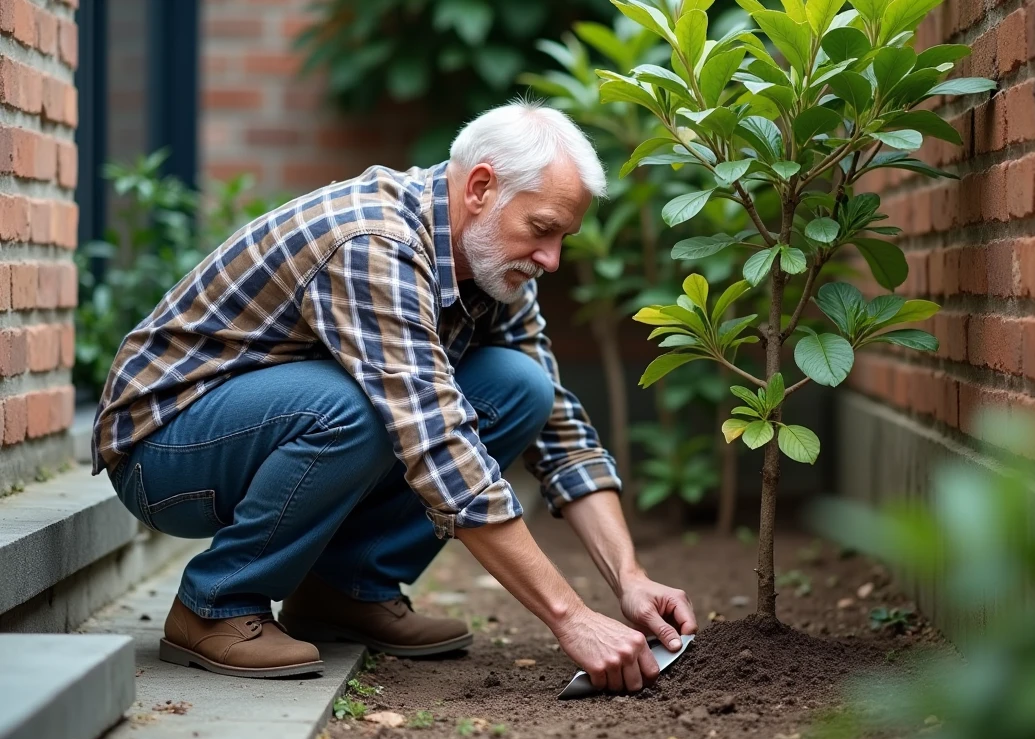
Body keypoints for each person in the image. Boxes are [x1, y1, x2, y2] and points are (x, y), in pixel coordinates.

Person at [90, 100, 697, 691]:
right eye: (542, 229)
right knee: (358, 407)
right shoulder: (373, 241)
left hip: (268, 426)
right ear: (481, 188)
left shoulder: (493, 265)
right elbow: (434, 438)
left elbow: (558, 427)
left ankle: (345, 591)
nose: (552, 259)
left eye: (564, 237)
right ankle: (215, 604)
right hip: (164, 448)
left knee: (522, 387)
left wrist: (629, 578)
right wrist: (571, 617)